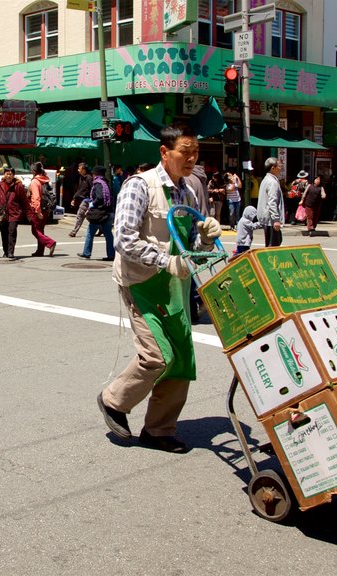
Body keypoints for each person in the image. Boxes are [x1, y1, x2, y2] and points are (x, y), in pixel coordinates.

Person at [96, 123, 221, 454]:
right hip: (142, 283)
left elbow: (193, 245)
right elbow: (123, 238)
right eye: (185, 151)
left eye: (196, 152)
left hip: (175, 286)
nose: (192, 158)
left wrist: (205, 237)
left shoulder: (189, 192)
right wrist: (166, 261)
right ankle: (113, 401)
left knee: (180, 357)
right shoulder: (140, 185)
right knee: (157, 355)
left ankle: (159, 430)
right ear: (164, 152)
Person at [0, 166, 27, 259]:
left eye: (10, 174)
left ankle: (11, 252)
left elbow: (24, 201)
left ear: (14, 175)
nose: (9, 176)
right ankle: (5, 251)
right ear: (4, 175)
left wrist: (29, 214)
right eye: (7, 174)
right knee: (3, 232)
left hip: (14, 213)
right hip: (2, 214)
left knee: (12, 232)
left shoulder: (18, 186)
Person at [77, 165, 115, 261]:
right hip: (106, 212)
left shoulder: (98, 183)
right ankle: (111, 254)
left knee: (90, 232)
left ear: (95, 174)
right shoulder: (105, 183)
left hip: (98, 213)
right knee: (108, 234)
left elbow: (100, 197)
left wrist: (92, 204)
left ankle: (86, 253)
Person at [27, 161, 57, 257]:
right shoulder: (45, 179)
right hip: (46, 208)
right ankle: (40, 251)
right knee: (40, 230)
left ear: (34, 170)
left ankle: (50, 243)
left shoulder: (35, 181)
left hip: (38, 209)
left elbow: (36, 198)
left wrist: (37, 211)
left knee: (35, 230)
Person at [256, 157, 285, 247]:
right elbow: (272, 202)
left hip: (266, 218)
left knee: (271, 244)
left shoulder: (265, 180)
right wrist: (276, 219)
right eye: (279, 167)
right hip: (271, 219)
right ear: (273, 168)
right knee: (273, 246)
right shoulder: (272, 182)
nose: (280, 169)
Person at [67, 162, 92, 237]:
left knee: (80, 214)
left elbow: (92, 189)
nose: (78, 170)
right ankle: (101, 228)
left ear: (84, 170)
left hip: (87, 200)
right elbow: (80, 189)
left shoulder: (89, 178)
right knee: (89, 216)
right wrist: (74, 198)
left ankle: (74, 231)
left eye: (79, 169)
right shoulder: (81, 178)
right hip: (83, 199)